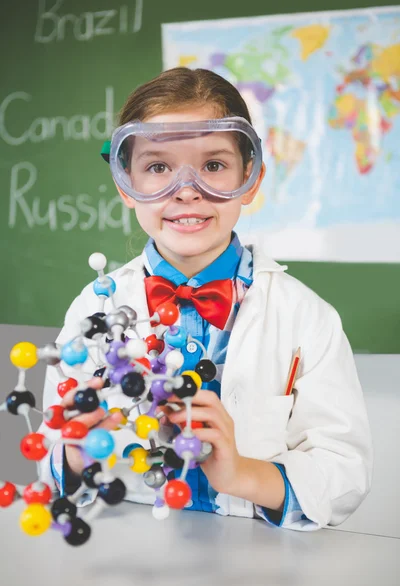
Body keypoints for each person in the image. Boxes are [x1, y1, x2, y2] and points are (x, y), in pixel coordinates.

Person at [39, 67, 373, 531]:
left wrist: (243, 474)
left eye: (214, 166)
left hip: (260, 573)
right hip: (123, 563)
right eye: (158, 168)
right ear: (125, 185)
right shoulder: (95, 307)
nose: (188, 190)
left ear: (250, 179)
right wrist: (72, 452)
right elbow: (49, 464)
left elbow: (346, 477)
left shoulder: (304, 316)